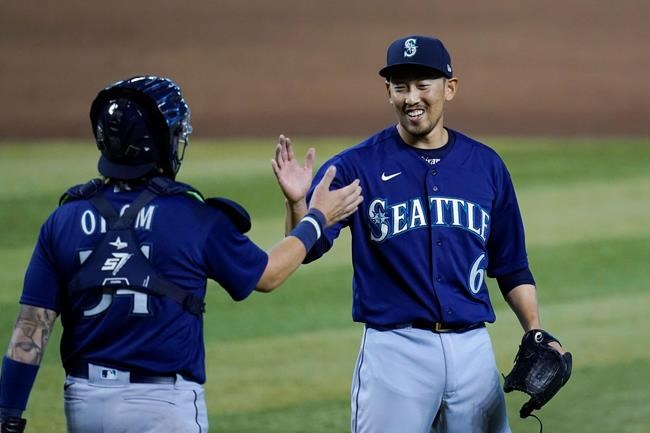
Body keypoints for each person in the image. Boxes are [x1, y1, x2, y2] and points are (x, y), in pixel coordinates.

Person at [0, 75, 363, 433]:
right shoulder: (193, 217)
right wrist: (316, 217)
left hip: (84, 401)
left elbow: (30, 330)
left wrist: (8, 414)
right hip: (161, 408)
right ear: (160, 143)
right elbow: (267, 275)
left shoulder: (63, 220)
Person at [271, 35, 569, 433]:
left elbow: (512, 266)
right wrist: (295, 205)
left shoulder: (486, 166)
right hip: (395, 353)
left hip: (472, 352)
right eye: (401, 87)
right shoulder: (355, 166)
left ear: (450, 87)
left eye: (422, 85)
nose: (412, 97)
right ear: (388, 93)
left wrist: (533, 330)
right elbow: (306, 248)